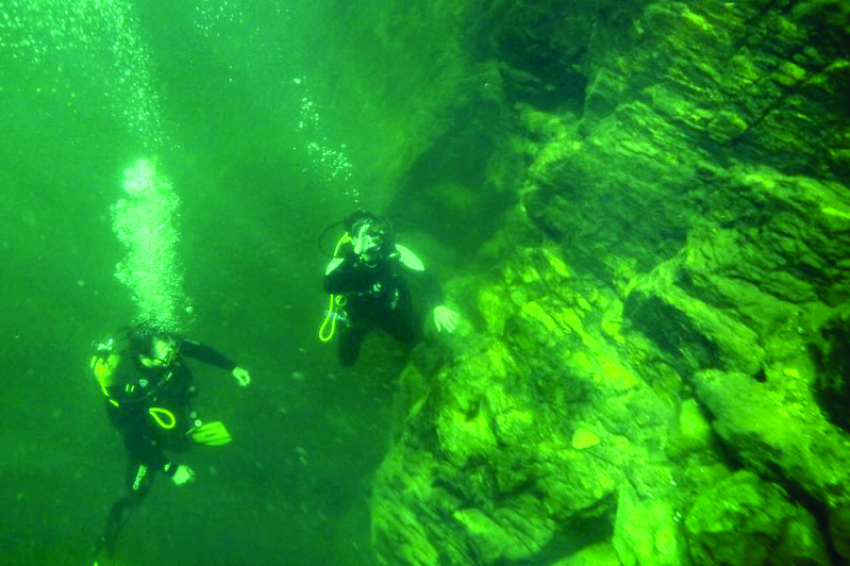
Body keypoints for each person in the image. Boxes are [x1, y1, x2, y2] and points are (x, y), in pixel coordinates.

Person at [90, 326, 251, 564]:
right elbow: (134, 442)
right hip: (145, 437)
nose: (173, 353)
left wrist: (232, 367)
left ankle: (184, 435)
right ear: (145, 358)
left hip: (170, 411)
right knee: (134, 494)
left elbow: (197, 349)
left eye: (171, 346)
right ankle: (105, 549)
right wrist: (170, 469)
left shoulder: (165, 344)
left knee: (179, 428)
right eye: (166, 351)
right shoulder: (128, 389)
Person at [323, 211, 460, 366]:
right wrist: (355, 254)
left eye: (373, 230)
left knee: (415, 340)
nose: (370, 236)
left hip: (389, 310)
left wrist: (438, 305)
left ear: (381, 232)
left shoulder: (396, 252)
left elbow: (425, 277)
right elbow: (329, 286)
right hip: (357, 317)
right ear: (352, 239)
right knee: (346, 361)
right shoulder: (342, 261)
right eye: (361, 233)